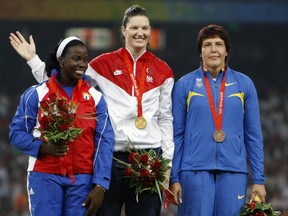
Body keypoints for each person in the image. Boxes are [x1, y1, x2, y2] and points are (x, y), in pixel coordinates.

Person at [9, 4, 174, 216]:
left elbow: (166, 119)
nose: (140, 33)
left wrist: (167, 164)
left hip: (149, 157)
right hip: (112, 159)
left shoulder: (164, 71)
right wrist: (33, 61)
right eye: (134, 27)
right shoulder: (101, 64)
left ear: (150, 30)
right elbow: (63, 86)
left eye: (145, 28)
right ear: (123, 30)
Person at [9, 36, 115, 216]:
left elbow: (105, 141)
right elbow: (16, 133)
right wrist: (41, 148)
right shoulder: (37, 94)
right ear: (61, 60)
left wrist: (100, 185)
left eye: (85, 59)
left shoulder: (95, 98)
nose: (82, 64)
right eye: (76, 58)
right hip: (44, 175)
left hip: (83, 179)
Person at [169, 24, 267, 215]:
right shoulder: (184, 85)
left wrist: (259, 180)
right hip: (193, 171)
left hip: (233, 171)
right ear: (200, 52)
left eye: (218, 44)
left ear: (227, 50)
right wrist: (174, 177)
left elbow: (253, 135)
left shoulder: (244, 84)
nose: (213, 50)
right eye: (207, 45)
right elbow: (176, 135)